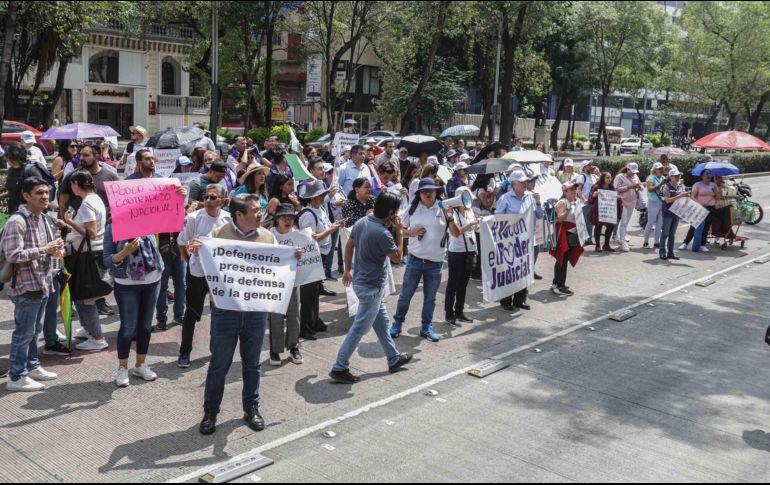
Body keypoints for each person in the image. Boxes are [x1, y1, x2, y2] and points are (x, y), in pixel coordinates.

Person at [198, 194, 300, 436]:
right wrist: (196, 252)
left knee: (252, 364)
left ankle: (251, 408)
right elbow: (201, 269)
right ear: (239, 215)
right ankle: (210, 411)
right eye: (254, 210)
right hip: (226, 312)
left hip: (255, 311)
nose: (260, 214)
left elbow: (276, 269)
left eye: (260, 209)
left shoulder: (267, 237)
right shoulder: (218, 235)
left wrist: (291, 259)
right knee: (219, 364)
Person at [330, 192, 412, 384]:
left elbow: (349, 246)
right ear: (390, 212)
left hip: (363, 284)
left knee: (382, 323)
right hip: (371, 289)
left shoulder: (364, 222)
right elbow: (398, 258)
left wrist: (348, 269)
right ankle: (339, 366)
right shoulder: (383, 234)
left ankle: (393, 358)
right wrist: (399, 232)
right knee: (359, 329)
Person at [2, 178, 64, 392]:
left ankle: (32, 365)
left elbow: (50, 247)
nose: (45, 197)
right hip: (25, 285)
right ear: (26, 196)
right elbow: (13, 254)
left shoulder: (44, 218)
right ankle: (16, 376)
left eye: (46, 192)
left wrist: (56, 250)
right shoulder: (17, 222)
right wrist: (45, 249)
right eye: (39, 193)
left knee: (35, 330)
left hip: (43, 282)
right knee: (23, 332)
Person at [391, 178, 461, 342]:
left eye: (432, 190)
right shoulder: (413, 208)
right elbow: (400, 230)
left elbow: (456, 234)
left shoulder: (444, 208)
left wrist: (450, 218)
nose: (428, 194)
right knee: (405, 295)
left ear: (437, 192)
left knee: (430, 298)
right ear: (419, 194)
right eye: (424, 191)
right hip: (415, 260)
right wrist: (412, 233)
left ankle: (425, 327)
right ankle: (397, 323)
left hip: (435, 263)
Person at [59, 145, 120, 317]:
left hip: (101, 232)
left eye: (86, 155)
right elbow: (63, 202)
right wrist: (66, 222)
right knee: (84, 273)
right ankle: (81, 306)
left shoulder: (109, 175)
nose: (81, 158)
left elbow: (118, 200)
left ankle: (98, 304)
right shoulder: (72, 176)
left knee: (95, 271)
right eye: (80, 155)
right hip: (79, 235)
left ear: (97, 156)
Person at [176, 185, 231, 369]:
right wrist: (189, 258)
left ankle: (215, 349)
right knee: (191, 313)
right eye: (206, 197)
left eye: (213, 197)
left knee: (219, 312)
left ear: (223, 201)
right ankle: (184, 352)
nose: (208, 200)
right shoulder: (194, 218)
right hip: (197, 273)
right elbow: (182, 242)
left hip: (219, 276)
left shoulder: (229, 220)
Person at [62, 171, 109, 352]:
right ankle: (88, 329)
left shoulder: (88, 203)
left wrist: (70, 222)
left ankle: (97, 337)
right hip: (91, 251)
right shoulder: (94, 198)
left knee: (85, 297)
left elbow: (91, 232)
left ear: (75, 183)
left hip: (87, 254)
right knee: (82, 295)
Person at [298, 181, 344, 338]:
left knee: (315, 291)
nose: (322, 198)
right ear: (312, 198)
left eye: (323, 195)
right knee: (308, 294)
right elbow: (312, 238)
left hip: (321, 256)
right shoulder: (308, 214)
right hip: (311, 258)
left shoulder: (320, 209)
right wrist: (332, 229)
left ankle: (314, 320)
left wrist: (334, 225)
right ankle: (304, 327)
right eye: (319, 196)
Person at [496, 171, 544, 311]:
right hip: (510, 242)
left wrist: (538, 202)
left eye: (525, 181)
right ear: (513, 184)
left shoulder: (530, 197)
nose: (525, 184)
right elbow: (498, 219)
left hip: (526, 241)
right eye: (521, 182)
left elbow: (539, 215)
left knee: (524, 270)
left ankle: (520, 299)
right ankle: (506, 300)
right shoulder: (505, 198)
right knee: (510, 271)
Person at [268, 204, 303, 365]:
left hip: (293, 279)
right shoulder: (269, 236)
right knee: (275, 316)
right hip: (274, 281)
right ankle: (275, 350)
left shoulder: (298, 235)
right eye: (284, 217)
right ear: (277, 220)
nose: (288, 220)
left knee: (294, 313)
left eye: (291, 217)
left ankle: (293, 346)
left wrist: (299, 255)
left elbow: (310, 255)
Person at [445, 187, 479, 326]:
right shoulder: (451, 213)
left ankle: (459, 311)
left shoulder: (470, 211)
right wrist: (470, 224)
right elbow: (456, 232)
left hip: (470, 251)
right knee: (453, 283)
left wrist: (476, 225)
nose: (467, 201)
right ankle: (449, 313)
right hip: (456, 252)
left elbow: (474, 228)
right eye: (465, 198)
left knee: (463, 284)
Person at [550, 182, 584, 295]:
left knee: (564, 259)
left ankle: (556, 283)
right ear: (565, 192)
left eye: (575, 188)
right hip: (563, 233)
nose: (574, 190)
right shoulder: (562, 202)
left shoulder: (575, 201)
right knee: (562, 259)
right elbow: (560, 218)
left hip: (572, 234)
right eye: (571, 189)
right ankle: (560, 286)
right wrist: (570, 207)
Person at [680, 169, 717, 253]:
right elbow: (692, 196)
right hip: (700, 208)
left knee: (706, 227)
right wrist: (699, 204)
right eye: (706, 174)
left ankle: (702, 245)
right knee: (694, 226)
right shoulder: (697, 185)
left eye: (710, 174)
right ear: (702, 176)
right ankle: (685, 243)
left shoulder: (713, 185)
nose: (708, 175)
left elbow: (718, 197)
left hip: (711, 208)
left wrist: (715, 193)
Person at [660, 167, 688, 260]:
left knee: (672, 234)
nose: (678, 177)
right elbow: (667, 200)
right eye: (676, 175)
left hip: (677, 213)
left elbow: (684, 199)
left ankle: (670, 253)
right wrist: (680, 195)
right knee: (665, 233)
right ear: (670, 177)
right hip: (668, 213)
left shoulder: (681, 186)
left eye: (679, 175)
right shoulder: (666, 187)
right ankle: (662, 252)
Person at [613, 163, 643, 252]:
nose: (633, 173)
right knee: (624, 221)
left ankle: (621, 237)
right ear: (627, 169)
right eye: (632, 171)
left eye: (635, 172)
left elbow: (640, 186)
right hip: (622, 201)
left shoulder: (636, 176)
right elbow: (616, 188)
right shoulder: (620, 176)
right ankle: (622, 242)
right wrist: (629, 186)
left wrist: (639, 187)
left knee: (626, 222)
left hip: (632, 201)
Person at [589, 172, 617, 252]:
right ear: (603, 178)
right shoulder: (596, 187)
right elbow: (590, 199)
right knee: (598, 226)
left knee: (610, 226)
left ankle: (606, 245)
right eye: (607, 177)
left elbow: (614, 198)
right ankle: (597, 245)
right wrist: (594, 195)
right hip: (599, 210)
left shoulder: (612, 188)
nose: (609, 179)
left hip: (609, 211)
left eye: (610, 177)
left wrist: (617, 197)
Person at [574, 160, 599, 246]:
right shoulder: (581, 177)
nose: (591, 166)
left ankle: (588, 239)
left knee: (590, 221)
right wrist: (584, 199)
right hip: (583, 203)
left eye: (591, 164)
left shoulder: (594, 176)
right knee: (583, 222)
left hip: (592, 202)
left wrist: (598, 173)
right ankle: (581, 240)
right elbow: (578, 189)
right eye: (589, 165)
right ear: (584, 168)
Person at [643, 162, 666, 249]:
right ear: (655, 170)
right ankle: (645, 242)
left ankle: (657, 242)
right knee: (650, 222)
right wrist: (660, 184)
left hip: (661, 203)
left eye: (662, 168)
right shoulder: (650, 178)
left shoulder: (663, 178)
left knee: (659, 224)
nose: (661, 170)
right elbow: (650, 189)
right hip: (653, 202)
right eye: (659, 168)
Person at [1, 142, 27, 214]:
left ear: (14, 156)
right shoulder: (11, 171)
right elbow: (12, 191)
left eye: (7, 155)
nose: (4, 158)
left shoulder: (29, 171)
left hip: (27, 214)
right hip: (14, 211)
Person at [712, 176, 737, 246]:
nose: (720, 180)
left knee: (726, 223)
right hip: (716, 207)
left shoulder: (725, 186)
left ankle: (727, 236)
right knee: (715, 222)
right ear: (715, 179)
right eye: (718, 178)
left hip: (725, 207)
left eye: (721, 178)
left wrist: (724, 189)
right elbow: (713, 196)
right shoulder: (712, 186)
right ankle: (715, 237)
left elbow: (732, 195)